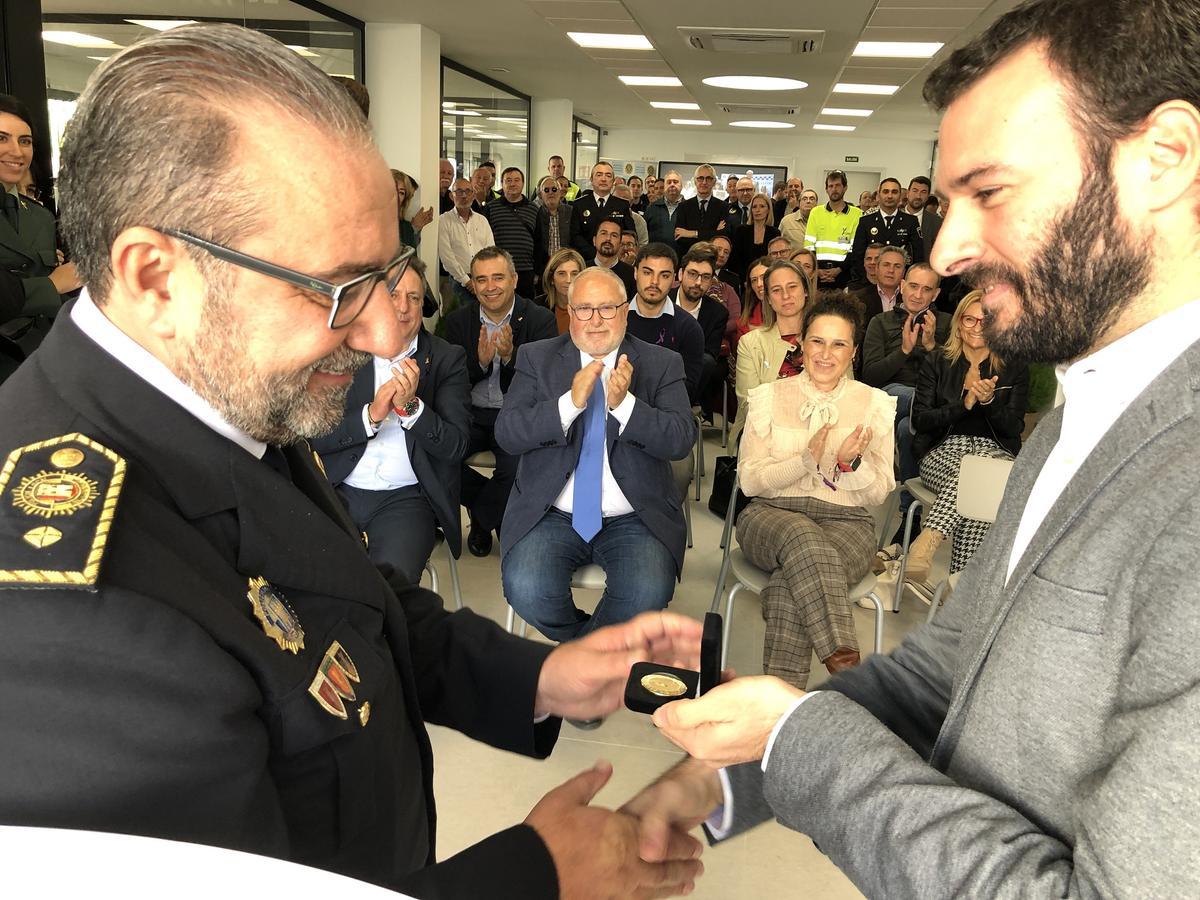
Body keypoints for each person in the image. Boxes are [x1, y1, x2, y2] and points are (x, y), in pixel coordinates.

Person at [0, 24, 708, 900]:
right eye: (337, 289)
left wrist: (539, 674)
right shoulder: (61, 604)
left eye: (389, 273)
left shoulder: (222, 388)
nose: (381, 332)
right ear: (155, 278)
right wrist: (537, 878)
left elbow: (349, 605)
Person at [633, 3, 1200, 897]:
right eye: (946, 201)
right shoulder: (1087, 407)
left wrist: (799, 739)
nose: (946, 247)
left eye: (992, 191)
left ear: (1164, 157)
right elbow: (962, 658)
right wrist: (730, 777)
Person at [497, 267, 695, 640]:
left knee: (646, 591)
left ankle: (577, 662)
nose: (595, 320)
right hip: (552, 513)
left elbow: (681, 439)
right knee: (527, 587)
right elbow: (508, 433)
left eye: (607, 309)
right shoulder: (536, 358)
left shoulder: (661, 363)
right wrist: (568, 404)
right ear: (570, 313)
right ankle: (594, 653)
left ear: (625, 311)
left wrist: (626, 407)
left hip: (634, 516)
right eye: (584, 309)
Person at [734, 296, 896, 686]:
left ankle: (777, 711)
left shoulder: (874, 404)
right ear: (801, 344)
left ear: (853, 351)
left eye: (839, 344)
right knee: (800, 534)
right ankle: (846, 665)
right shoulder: (769, 397)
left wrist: (846, 466)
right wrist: (804, 463)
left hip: (847, 524)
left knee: (791, 588)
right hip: (770, 517)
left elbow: (880, 490)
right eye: (817, 342)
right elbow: (750, 481)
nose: (826, 354)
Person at [312, 256, 470, 585]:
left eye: (414, 298)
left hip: (407, 499)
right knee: (314, 578)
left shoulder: (445, 359)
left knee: (389, 587)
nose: (403, 307)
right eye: (394, 295)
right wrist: (370, 416)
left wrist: (412, 408)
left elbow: (456, 446)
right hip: (340, 491)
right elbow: (313, 437)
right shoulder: (344, 351)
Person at [904, 291, 1029, 582]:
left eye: (985, 321)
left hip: (996, 453)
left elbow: (1014, 429)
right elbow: (921, 420)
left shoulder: (1015, 368)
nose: (976, 326)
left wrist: (989, 402)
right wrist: (965, 405)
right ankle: (960, 586)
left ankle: (929, 544)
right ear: (959, 323)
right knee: (977, 478)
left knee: (982, 480)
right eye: (969, 319)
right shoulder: (936, 362)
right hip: (943, 451)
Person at [444, 247, 557, 556]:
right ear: (473, 284)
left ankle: (481, 521)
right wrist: (478, 364)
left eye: (498, 278)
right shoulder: (456, 322)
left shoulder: (540, 320)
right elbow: (446, 382)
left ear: (514, 279)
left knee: (519, 465)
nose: (490, 287)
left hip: (515, 415)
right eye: (481, 280)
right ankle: (491, 511)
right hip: (469, 414)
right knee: (435, 456)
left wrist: (509, 357)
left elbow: (544, 382)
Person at [862, 262, 950, 483]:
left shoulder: (948, 324)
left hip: (931, 397)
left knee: (905, 428)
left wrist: (932, 347)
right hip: (893, 395)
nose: (918, 295)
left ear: (936, 294)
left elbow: (954, 378)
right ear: (902, 286)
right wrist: (903, 351)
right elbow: (870, 377)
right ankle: (927, 412)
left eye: (926, 289)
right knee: (907, 396)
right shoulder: (880, 322)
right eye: (913, 286)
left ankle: (910, 511)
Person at [0, 94, 81, 319]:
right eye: (1, 138)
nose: (16, 151)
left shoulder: (41, 217)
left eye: (24, 141)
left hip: (43, 348)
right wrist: (52, 284)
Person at [731, 259, 810, 440]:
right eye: (776, 290)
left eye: (792, 287)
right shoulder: (750, 343)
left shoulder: (829, 338)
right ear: (767, 298)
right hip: (766, 435)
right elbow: (748, 403)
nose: (785, 295)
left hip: (819, 431)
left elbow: (844, 395)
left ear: (805, 290)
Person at [625, 242, 705, 403]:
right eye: (647, 272)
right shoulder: (614, 319)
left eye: (664, 275)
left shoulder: (689, 328)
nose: (654, 281)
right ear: (635, 273)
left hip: (664, 415)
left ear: (675, 278)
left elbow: (686, 390)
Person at [672, 245, 730, 419]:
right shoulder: (662, 300)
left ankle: (680, 407)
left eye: (705, 277)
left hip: (692, 374)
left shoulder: (718, 313)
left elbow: (709, 353)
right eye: (692, 274)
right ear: (681, 274)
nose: (698, 282)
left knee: (707, 362)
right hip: (660, 366)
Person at [845, 177, 923, 285]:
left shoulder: (911, 222)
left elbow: (918, 256)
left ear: (900, 196)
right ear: (878, 196)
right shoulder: (866, 221)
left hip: (899, 283)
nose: (890, 196)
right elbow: (857, 256)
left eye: (894, 192)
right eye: (885, 191)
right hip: (869, 283)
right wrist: (868, 279)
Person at [437, 177, 494, 313]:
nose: (464, 195)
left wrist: (484, 278)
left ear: (473, 195)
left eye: (468, 191)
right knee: (456, 324)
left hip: (482, 279)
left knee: (483, 321)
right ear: (452, 195)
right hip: (456, 282)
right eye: (459, 191)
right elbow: (447, 257)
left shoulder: (482, 221)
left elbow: (491, 251)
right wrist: (467, 281)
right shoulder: (444, 220)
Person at [483, 166, 539, 299]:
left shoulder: (534, 208)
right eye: (508, 180)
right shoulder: (491, 208)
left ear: (523, 183)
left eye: (516, 180)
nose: (512, 184)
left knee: (525, 310)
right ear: (501, 184)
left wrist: (537, 271)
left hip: (526, 271)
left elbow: (539, 241)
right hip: (499, 270)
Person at [804, 170, 861, 289]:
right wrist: (817, 269)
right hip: (818, 273)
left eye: (838, 185)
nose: (834, 189)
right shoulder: (816, 212)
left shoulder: (857, 214)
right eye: (831, 186)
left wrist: (839, 269)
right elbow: (809, 246)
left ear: (845, 188)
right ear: (826, 189)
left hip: (845, 273)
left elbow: (856, 248)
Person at [571, 162, 629, 261]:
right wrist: (596, 255)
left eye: (608, 175)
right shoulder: (579, 204)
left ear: (613, 181)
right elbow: (575, 235)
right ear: (591, 179)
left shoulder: (622, 205)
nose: (603, 179)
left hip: (614, 259)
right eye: (599, 175)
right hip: (586, 259)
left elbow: (628, 234)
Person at [674, 164, 727, 256]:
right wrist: (713, 233)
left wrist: (692, 233)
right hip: (689, 257)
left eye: (709, 178)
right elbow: (680, 237)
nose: (704, 182)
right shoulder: (683, 206)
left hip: (713, 258)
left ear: (714, 182)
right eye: (700, 178)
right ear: (695, 181)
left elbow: (723, 235)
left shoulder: (723, 206)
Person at [536, 247, 584, 335]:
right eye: (562, 274)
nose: (568, 280)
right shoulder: (537, 307)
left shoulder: (591, 307)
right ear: (551, 279)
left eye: (574, 274)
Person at [729, 194, 780, 275]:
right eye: (754, 207)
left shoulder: (775, 233)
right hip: (743, 278)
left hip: (767, 277)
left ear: (768, 210)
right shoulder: (741, 230)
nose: (757, 210)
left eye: (762, 206)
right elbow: (734, 259)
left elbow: (775, 260)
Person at [533, 174, 573, 278]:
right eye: (546, 190)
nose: (551, 193)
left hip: (567, 264)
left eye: (554, 189)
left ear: (560, 193)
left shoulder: (571, 212)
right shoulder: (535, 213)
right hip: (544, 267)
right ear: (540, 194)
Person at [587, 217, 636, 299]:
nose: (608, 239)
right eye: (603, 233)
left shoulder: (632, 275)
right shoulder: (582, 269)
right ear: (594, 240)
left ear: (620, 244)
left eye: (614, 235)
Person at [391, 169, 433, 249]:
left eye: (402, 193)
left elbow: (410, 254)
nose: (397, 196)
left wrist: (413, 229)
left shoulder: (405, 226)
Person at [735, 256, 771, 341]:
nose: (759, 284)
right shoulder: (744, 323)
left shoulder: (792, 313)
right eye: (754, 280)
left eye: (763, 277)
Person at [645, 169, 685, 247]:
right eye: (669, 182)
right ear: (665, 186)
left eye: (675, 182)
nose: (672, 185)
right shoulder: (651, 208)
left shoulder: (689, 208)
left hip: (682, 257)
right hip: (655, 256)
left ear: (681, 186)